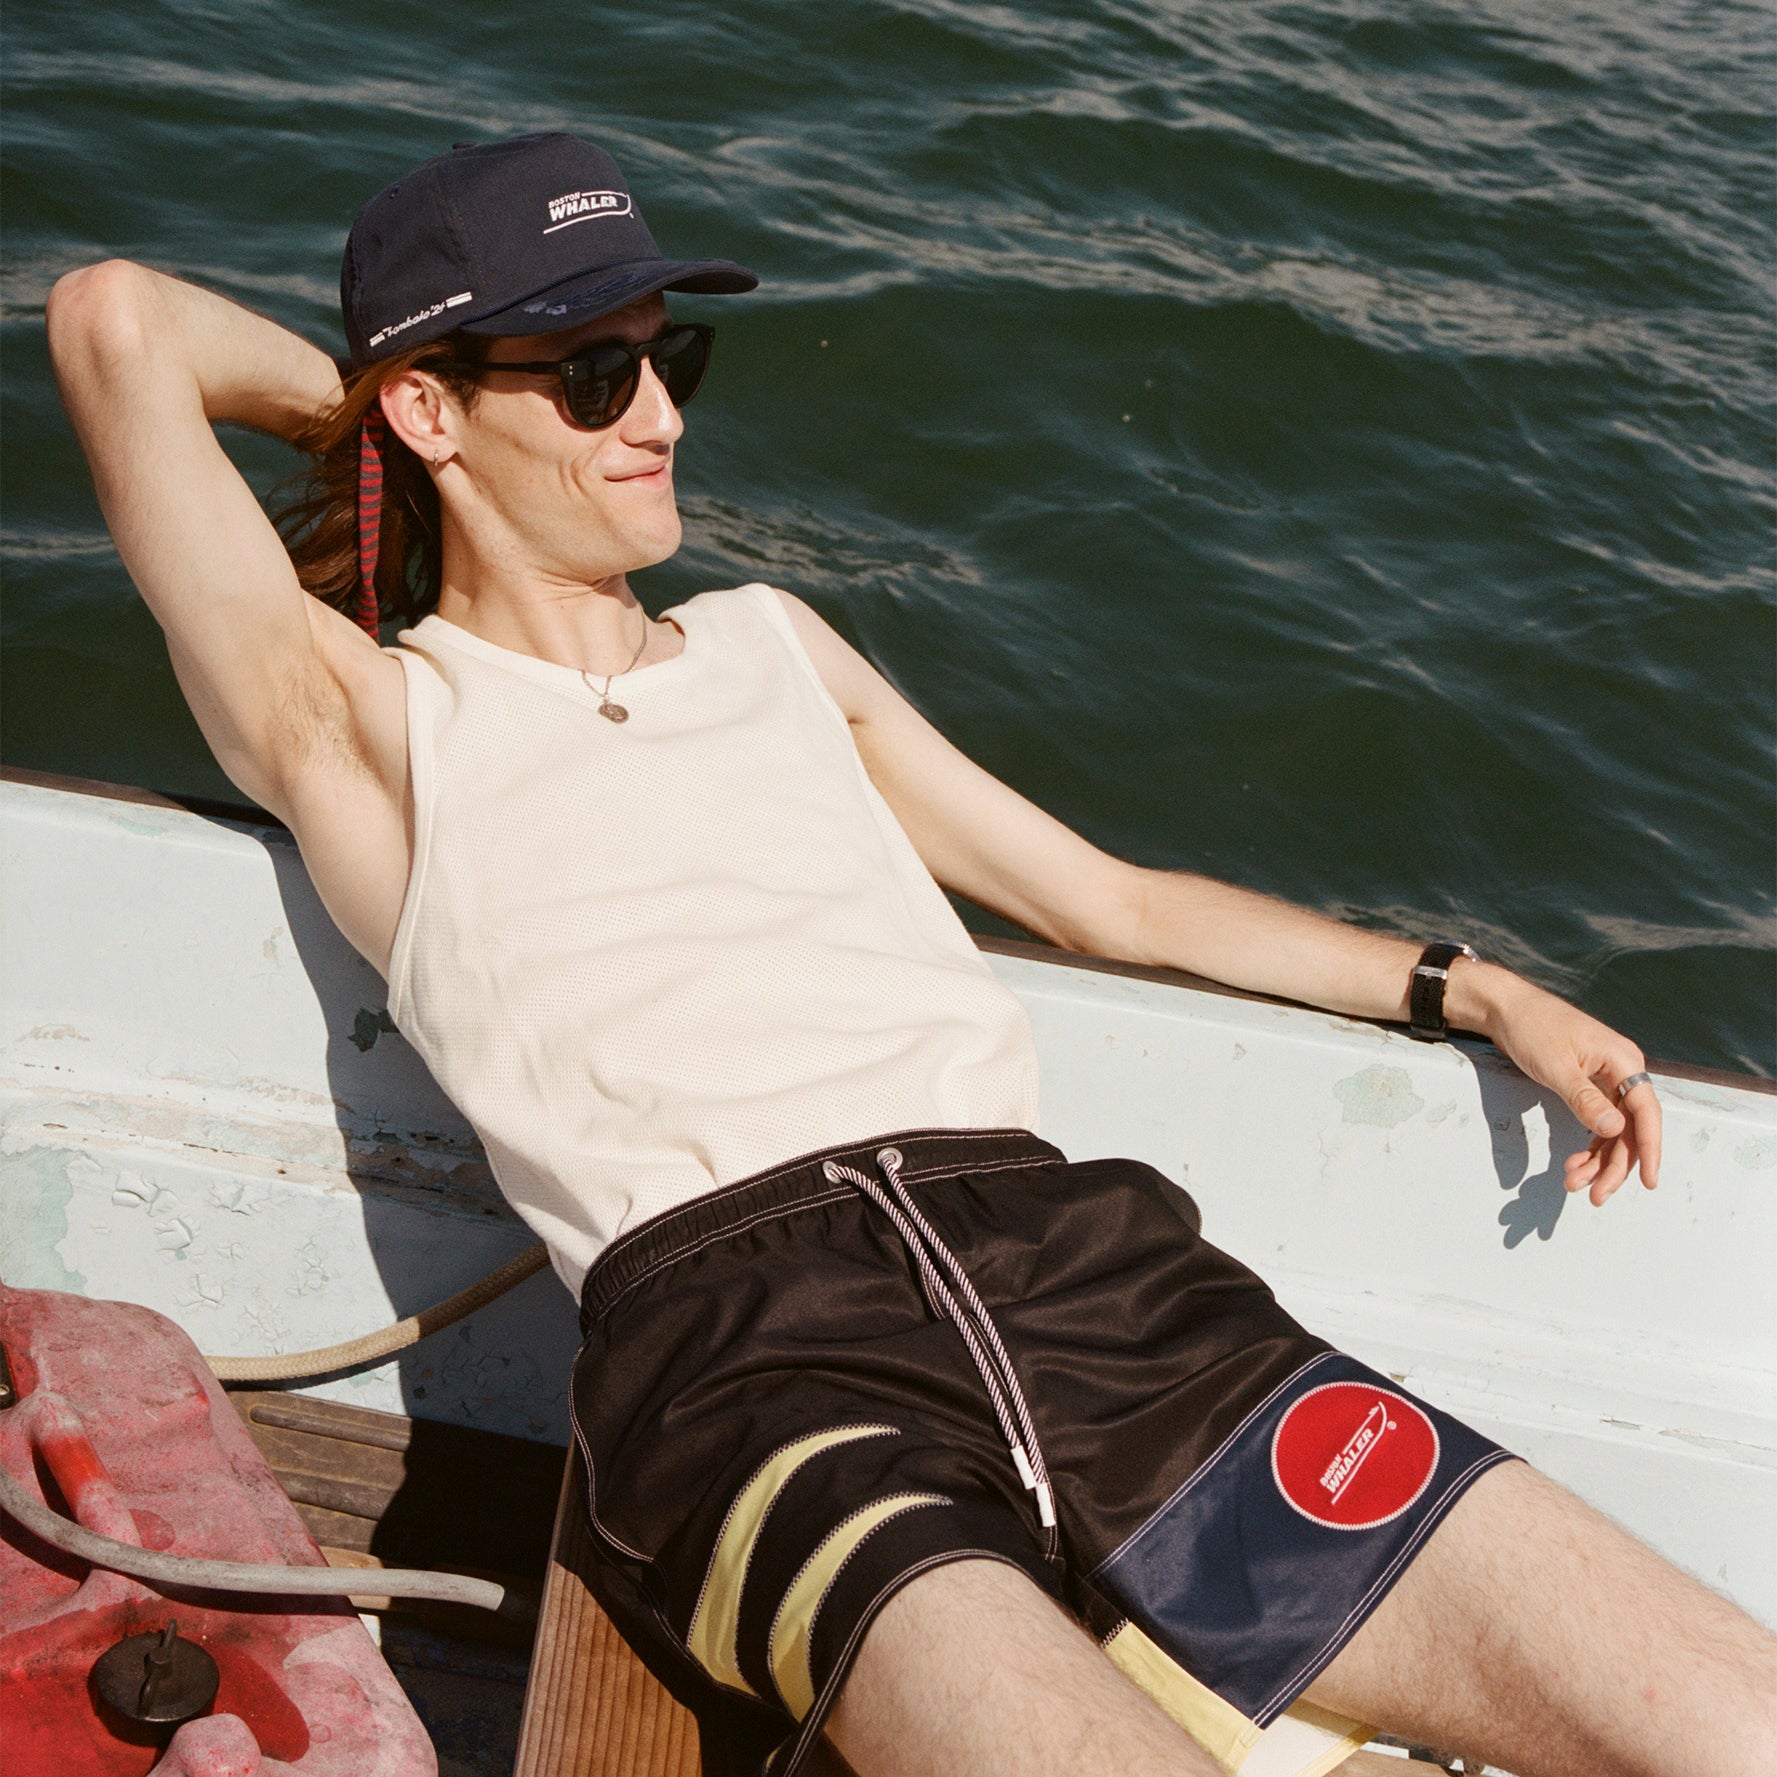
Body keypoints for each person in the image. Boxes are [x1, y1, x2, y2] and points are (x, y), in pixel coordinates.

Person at [47, 133, 1774, 1777]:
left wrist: (1466, 985)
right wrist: (369, 420)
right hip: (748, 1359)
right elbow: (113, 317)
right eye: (588, 377)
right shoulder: (370, 722)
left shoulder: (770, 642)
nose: (655, 417)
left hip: (1084, 1264)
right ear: (434, 406)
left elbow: (1110, 902)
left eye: (668, 363)